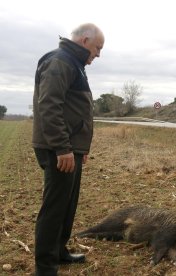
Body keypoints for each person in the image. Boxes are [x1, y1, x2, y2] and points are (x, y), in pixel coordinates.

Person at [32, 23, 104, 276]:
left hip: (69, 147)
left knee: (67, 204)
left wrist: (79, 148)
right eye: (97, 48)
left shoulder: (74, 63)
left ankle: (59, 251)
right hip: (58, 148)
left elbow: (72, 108)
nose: (98, 54)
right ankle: (45, 267)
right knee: (54, 207)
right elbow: (49, 106)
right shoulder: (60, 61)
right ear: (85, 40)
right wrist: (62, 148)